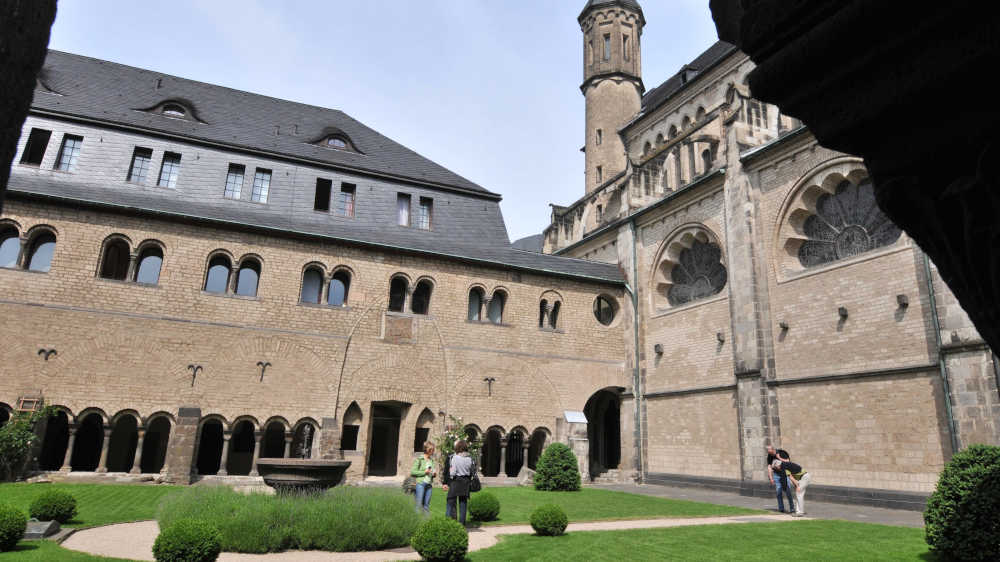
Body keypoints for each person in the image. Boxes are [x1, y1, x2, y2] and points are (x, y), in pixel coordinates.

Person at [442, 439, 473, 524]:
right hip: (466, 482)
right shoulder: (469, 459)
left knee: (450, 502)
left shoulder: (455, 458)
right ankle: (462, 525)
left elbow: (452, 473)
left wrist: (451, 469)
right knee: (463, 504)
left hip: (456, 482)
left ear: (458, 447)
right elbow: (471, 471)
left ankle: (447, 523)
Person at [766, 445, 795, 513]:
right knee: (778, 492)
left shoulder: (782, 453)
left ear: (773, 450)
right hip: (776, 475)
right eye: (768, 453)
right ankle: (781, 508)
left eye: (770, 452)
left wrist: (779, 458)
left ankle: (792, 508)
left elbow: (788, 462)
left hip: (785, 474)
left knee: (788, 492)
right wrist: (771, 478)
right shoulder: (769, 456)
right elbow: (769, 467)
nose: (769, 454)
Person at [410, 441, 436, 515]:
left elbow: (431, 470)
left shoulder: (431, 460)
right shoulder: (419, 459)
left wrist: (434, 474)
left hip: (429, 485)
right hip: (421, 484)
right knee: (418, 505)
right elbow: (413, 472)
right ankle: (417, 523)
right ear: (427, 450)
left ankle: (426, 524)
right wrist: (425, 472)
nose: (433, 452)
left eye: (433, 450)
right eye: (432, 450)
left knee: (426, 506)